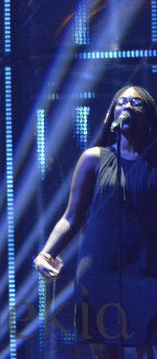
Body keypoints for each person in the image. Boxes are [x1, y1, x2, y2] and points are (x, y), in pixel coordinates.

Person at [34, 86, 157, 358]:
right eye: (121, 102)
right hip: (101, 268)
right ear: (111, 113)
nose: (127, 106)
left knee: (147, 345)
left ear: (148, 115)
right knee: (105, 348)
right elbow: (71, 216)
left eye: (136, 103)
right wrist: (46, 253)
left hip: (147, 267)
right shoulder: (93, 159)